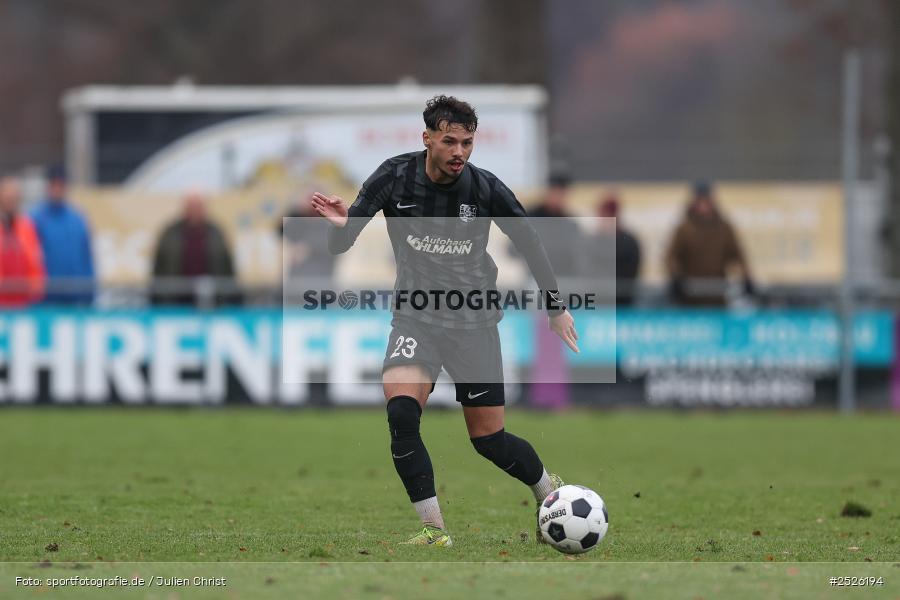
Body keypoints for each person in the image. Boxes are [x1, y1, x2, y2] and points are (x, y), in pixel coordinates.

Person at [312, 95, 578, 547]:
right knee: (401, 414)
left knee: (489, 439)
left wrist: (555, 308)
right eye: (450, 141)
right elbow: (343, 243)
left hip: (474, 323)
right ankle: (434, 531)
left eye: (467, 143)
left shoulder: (484, 188)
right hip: (415, 318)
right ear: (428, 138)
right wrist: (339, 227)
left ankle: (548, 495)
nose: (459, 152)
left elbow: (531, 241)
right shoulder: (393, 177)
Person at [665, 182, 753, 306]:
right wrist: (676, 278)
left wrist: (746, 278)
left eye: (706, 200)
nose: (703, 205)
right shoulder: (684, 229)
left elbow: (738, 256)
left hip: (717, 297)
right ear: (694, 202)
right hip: (690, 297)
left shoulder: (724, 229)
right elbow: (671, 257)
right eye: (700, 200)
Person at [150, 191, 238, 306]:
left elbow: (227, 267)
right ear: (185, 208)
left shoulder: (216, 233)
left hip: (212, 301)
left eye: (198, 206)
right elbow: (159, 267)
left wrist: (229, 297)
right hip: (176, 300)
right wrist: (159, 296)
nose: (195, 210)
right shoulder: (170, 233)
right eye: (191, 206)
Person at [30, 165, 95, 304]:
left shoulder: (77, 219)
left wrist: (90, 291)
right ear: (47, 187)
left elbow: (86, 256)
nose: (57, 189)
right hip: (47, 297)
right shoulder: (35, 219)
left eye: (61, 185)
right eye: (54, 185)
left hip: (76, 296)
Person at [0, 177, 45, 307]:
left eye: (13, 197)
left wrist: (36, 288)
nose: (10, 201)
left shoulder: (27, 227)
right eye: (7, 197)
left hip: (24, 301)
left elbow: (35, 260)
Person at [593, 193, 641, 306]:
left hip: (622, 304)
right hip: (600, 303)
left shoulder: (628, 243)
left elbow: (629, 275)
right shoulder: (594, 242)